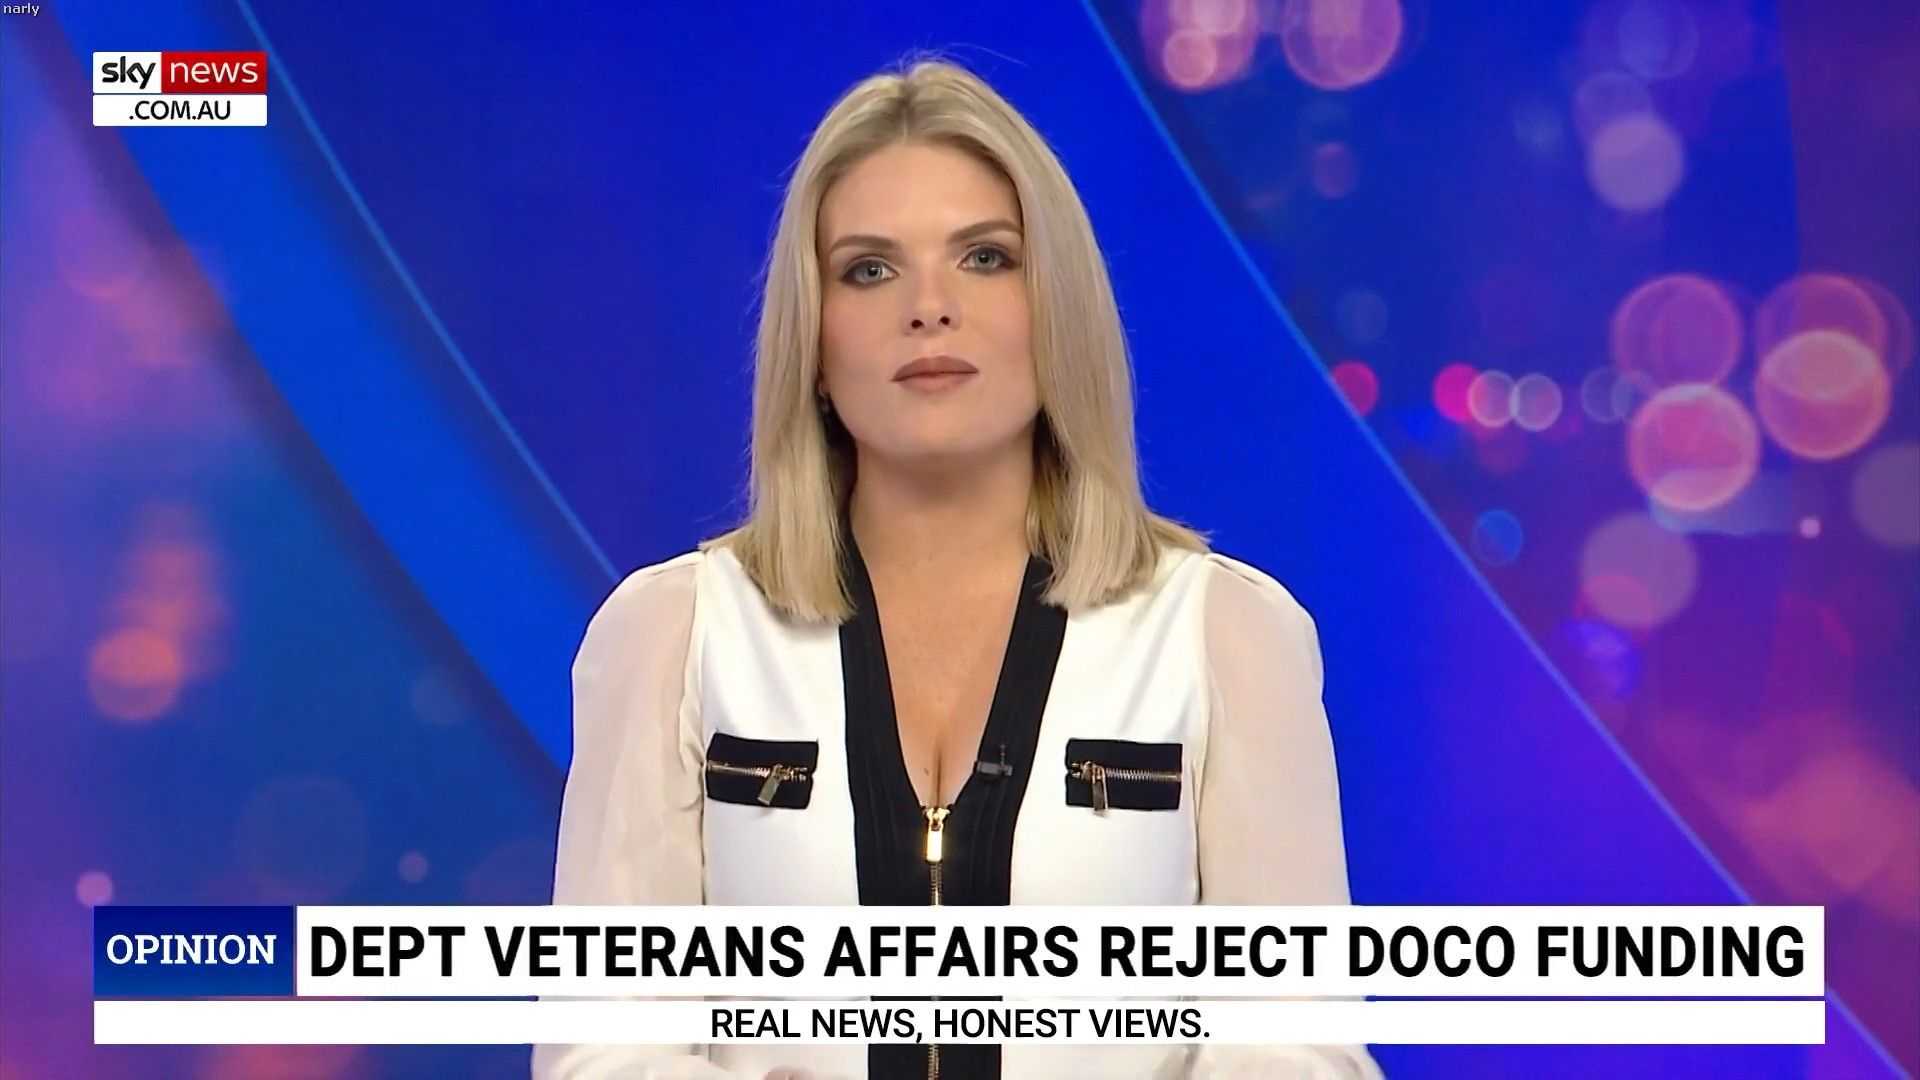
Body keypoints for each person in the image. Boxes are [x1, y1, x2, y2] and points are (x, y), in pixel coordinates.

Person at [533, 54, 1380, 1080]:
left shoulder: (1225, 635)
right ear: (814, 338)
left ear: (1055, 307)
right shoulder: (674, 635)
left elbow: (1297, 1045)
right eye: (869, 269)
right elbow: (603, 1048)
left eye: (984, 257)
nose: (928, 307)